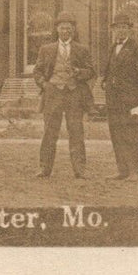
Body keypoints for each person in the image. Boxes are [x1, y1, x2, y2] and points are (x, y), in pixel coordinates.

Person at [32, 11, 94, 179]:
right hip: (53, 95)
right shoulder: (46, 49)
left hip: (74, 95)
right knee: (50, 133)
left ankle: (79, 170)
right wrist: (45, 85)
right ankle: (45, 168)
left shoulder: (82, 50)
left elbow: (91, 71)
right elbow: (37, 71)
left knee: (76, 132)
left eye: (69, 28)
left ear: (73, 30)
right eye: (62, 28)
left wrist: (78, 72)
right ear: (57, 29)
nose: (65, 31)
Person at [101, 11, 138, 180]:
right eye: (117, 28)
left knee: (130, 134)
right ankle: (122, 170)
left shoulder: (137, 49)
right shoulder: (112, 48)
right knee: (116, 133)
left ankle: (135, 171)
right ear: (113, 30)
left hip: (130, 100)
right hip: (113, 99)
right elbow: (109, 70)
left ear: (129, 30)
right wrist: (105, 81)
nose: (120, 31)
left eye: (124, 28)